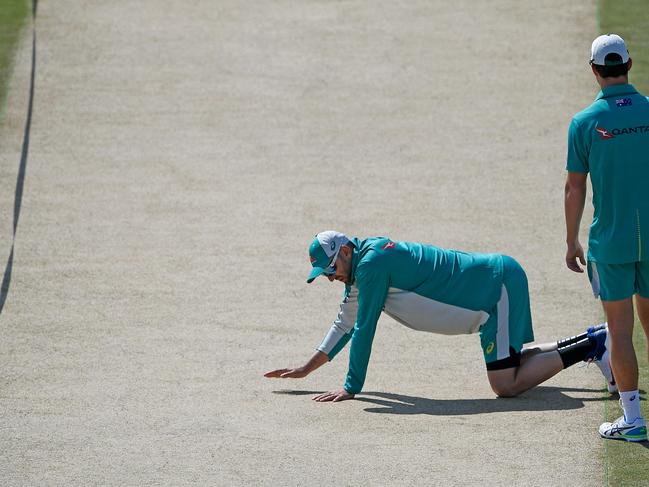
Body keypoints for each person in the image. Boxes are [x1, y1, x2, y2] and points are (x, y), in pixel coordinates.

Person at [265, 231, 614, 404]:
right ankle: (598, 338)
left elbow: (363, 329)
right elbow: (344, 324)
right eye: (325, 275)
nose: (331, 277)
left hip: (495, 289)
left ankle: (595, 345)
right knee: (510, 365)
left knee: (505, 384)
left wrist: (351, 387)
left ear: (345, 250)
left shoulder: (371, 266)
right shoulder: (363, 270)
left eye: (331, 269)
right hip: (493, 288)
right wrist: (305, 369)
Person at [564, 34, 649, 442]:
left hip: (610, 245)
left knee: (620, 331)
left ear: (594, 71)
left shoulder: (583, 123)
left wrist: (570, 241)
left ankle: (633, 419)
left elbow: (574, 188)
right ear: (629, 66)